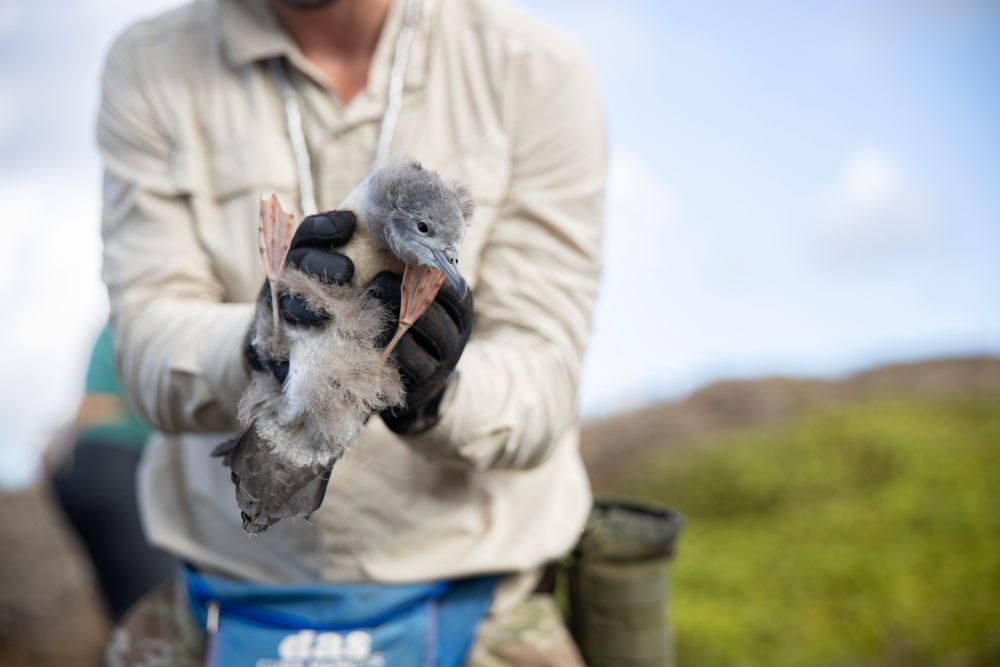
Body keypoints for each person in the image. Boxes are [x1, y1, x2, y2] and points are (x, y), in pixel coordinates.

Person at [97, 0, 606, 664]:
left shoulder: (537, 69)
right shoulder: (151, 63)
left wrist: (437, 392)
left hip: (476, 606)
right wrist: (263, 343)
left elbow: (548, 378)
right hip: (228, 601)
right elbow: (144, 349)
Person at [50, 324, 175, 621]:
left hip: (79, 465)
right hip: (116, 462)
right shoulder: (153, 312)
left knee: (127, 607)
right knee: (157, 608)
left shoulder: (122, 317)